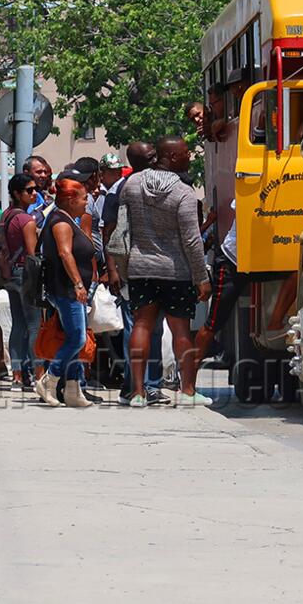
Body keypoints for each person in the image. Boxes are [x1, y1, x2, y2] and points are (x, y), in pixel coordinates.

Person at [118, 136, 211, 407]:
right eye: (184, 153)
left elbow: (122, 229)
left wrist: (121, 267)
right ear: (170, 157)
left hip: (139, 267)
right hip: (176, 270)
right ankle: (188, 391)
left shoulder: (132, 184)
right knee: (181, 330)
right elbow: (192, 240)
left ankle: (137, 393)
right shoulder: (183, 192)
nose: (189, 157)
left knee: (142, 325)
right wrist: (201, 278)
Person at [104, 141, 166, 404]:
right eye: (150, 155)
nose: (155, 159)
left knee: (155, 330)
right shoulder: (119, 191)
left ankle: (152, 385)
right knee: (135, 327)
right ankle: (133, 385)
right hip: (130, 269)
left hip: (157, 269)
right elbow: (109, 232)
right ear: (137, 160)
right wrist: (112, 270)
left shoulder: (160, 185)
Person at [34, 178, 96, 408]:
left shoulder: (69, 218)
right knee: (77, 338)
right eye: (83, 198)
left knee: (73, 337)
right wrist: (79, 284)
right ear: (70, 200)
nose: (87, 202)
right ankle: (49, 380)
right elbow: (64, 253)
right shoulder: (61, 221)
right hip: (66, 290)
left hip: (68, 289)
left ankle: (72, 389)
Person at [194, 200, 247, 368]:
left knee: (294, 274)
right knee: (214, 322)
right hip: (233, 259)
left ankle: (275, 320)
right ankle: (188, 379)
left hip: (262, 259)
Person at [1, 173, 41, 390]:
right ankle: (38, 373)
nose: (34, 193)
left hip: (10, 273)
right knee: (35, 324)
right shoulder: (26, 220)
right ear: (17, 193)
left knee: (18, 323)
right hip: (26, 273)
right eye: (29, 190)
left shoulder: (8, 214)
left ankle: (17, 375)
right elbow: (32, 253)